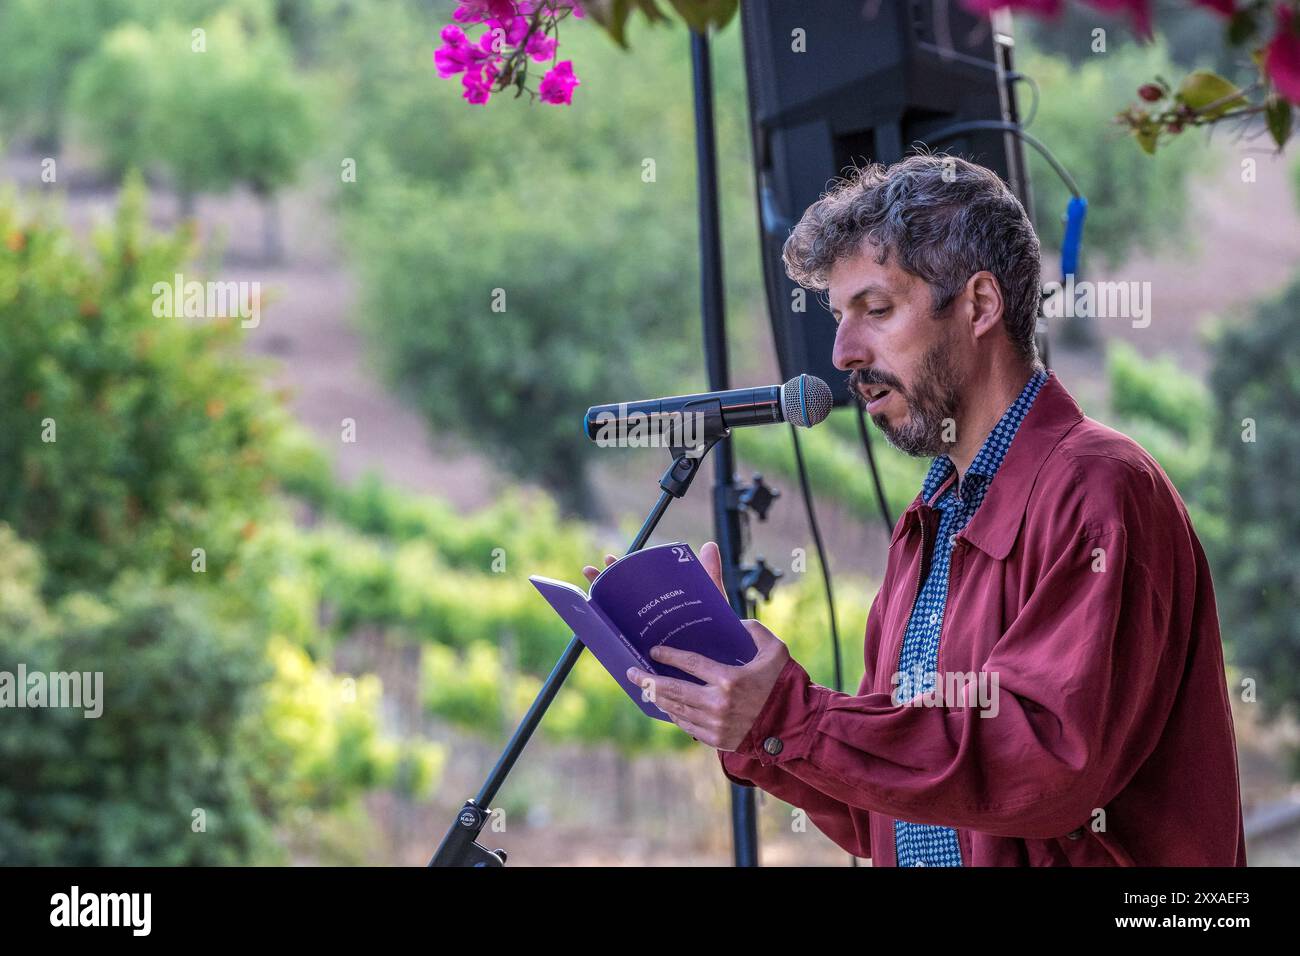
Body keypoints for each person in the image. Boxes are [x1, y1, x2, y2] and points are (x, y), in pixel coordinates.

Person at [582, 154, 1245, 866]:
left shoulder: (1100, 491)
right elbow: (895, 810)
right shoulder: (929, 521)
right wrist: (740, 702)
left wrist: (790, 717)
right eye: (838, 318)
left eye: (876, 309)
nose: (841, 352)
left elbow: (1048, 766)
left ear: (981, 306)